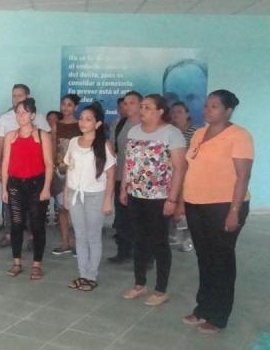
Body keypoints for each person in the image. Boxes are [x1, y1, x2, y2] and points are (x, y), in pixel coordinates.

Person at [183, 90, 253, 334]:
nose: (207, 110)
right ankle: (203, 307)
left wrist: (234, 211)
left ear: (228, 110)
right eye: (206, 106)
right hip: (195, 204)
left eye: (214, 106)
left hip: (224, 206)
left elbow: (243, 177)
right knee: (204, 257)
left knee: (221, 259)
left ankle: (219, 315)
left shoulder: (239, 136)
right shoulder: (199, 134)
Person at [120, 94, 187, 307]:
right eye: (141, 107)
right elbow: (129, 163)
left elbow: (180, 168)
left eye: (147, 107)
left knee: (159, 242)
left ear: (160, 111)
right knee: (139, 240)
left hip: (159, 197)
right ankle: (139, 283)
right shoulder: (134, 131)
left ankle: (161, 289)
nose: (142, 110)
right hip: (135, 194)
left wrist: (172, 199)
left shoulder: (171, 133)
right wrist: (123, 188)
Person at [64, 104, 116, 292]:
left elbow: (111, 175)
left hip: (96, 196)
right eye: (82, 118)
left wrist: (108, 199)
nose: (83, 122)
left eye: (88, 119)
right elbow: (69, 170)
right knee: (79, 235)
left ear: (98, 123)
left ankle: (91, 275)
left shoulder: (104, 145)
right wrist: (66, 195)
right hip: (75, 194)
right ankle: (82, 273)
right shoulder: (73, 142)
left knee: (93, 236)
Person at [0, 84, 51, 248]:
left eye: (19, 95)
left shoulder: (38, 117)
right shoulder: (6, 118)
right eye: (13, 95)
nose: (16, 99)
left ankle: (33, 237)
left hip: (34, 173)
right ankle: (9, 234)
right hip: (13, 171)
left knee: (33, 210)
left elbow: (47, 141)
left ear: (28, 96)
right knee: (10, 207)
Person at [1, 99, 53, 280]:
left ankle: (37, 264)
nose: (20, 116)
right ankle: (17, 262)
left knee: (37, 225)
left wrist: (46, 188)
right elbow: (5, 163)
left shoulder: (42, 135)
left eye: (23, 112)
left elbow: (49, 164)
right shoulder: (10, 136)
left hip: (36, 185)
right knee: (16, 224)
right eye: (18, 112)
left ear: (32, 115)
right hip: (15, 185)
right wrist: (4, 189)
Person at [108, 90, 142, 264]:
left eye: (132, 102)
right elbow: (114, 151)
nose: (128, 106)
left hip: (142, 182)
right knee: (122, 219)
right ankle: (123, 251)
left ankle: (144, 256)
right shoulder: (120, 124)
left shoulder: (147, 125)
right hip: (121, 177)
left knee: (141, 220)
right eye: (125, 103)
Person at [52, 94, 82, 256]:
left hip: (77, 173)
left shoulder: (80, 126)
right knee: (62, 208)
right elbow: (52, 150)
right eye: (63, 104)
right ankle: (65, 242)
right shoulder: (56, 126)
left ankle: (78, 244)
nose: (66, 108)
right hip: (60, 172)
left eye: (70, 105)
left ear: (75, 108)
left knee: (76, 210)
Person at [169, 101, 198, 252]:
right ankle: (174, 236)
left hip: (190, 176)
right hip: (172, 175)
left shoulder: (196, 132)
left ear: (187, 114)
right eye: (173, 112)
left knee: (187, 207)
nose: (176, 115)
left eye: (179, 112)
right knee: (172, 205)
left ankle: (188, 239)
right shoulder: (170, 131)